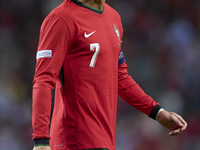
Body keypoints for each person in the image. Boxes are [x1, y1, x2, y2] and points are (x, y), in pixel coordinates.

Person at [32, 0, 187, 150]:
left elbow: (120, 78)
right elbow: (43, 80)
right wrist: (41, 140)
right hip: (74, 141)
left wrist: (157, 112)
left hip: (105, 140)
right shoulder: (61, 19)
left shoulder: (113, 18)